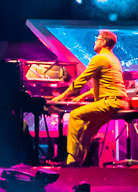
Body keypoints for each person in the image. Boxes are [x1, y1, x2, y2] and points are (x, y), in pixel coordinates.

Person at [53, 29, 126, 166]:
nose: (95, 41)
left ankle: (71, 161)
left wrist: (61, 96)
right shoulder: (113, 59)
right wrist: (86, 94)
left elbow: (80, 81)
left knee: (75, 115)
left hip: (109, 102)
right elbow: (109, 85)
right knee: (87, 131)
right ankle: (78, 163)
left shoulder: (99, 59)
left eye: (97, 39)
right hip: (119, 101)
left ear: (104, 42)